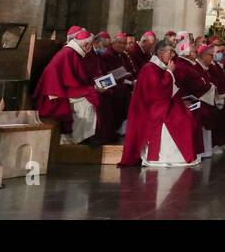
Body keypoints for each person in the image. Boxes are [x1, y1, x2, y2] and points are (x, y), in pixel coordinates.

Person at [119, 39, 201, 167]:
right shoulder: (149, 68)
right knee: (181, 119)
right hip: (152, 109)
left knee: (188, 115)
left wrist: (181, 101)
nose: (173, 55)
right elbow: (157, 93)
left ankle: (183, 154)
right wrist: (169, 72)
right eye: (171, 52)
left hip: (162, 105)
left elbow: (167, 91)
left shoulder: (160, 67)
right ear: (160, 53)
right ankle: (163, 157)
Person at [34, 29, 101, 144]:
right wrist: (90, 88)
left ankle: (81, 136)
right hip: (55, 93)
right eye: (90, 46)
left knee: (91, 97)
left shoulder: (72, 52)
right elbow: (71, 81)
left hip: (60, 88)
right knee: (88, 104)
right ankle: (75, 138)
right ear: (85, 45)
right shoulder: (69, 53)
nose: (90, 50)